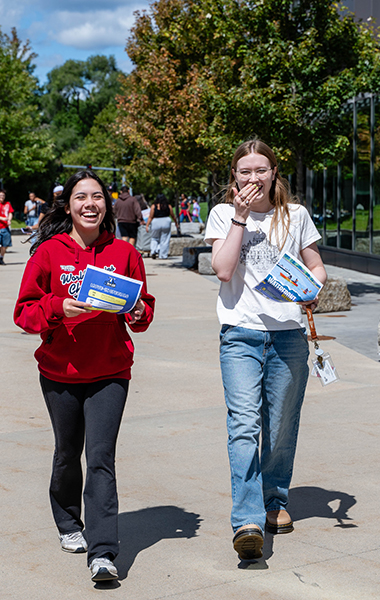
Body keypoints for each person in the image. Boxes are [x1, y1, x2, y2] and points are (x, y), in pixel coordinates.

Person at [13, 170, 155, 583]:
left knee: (100, 458)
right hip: (59, 372)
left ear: (107, 205)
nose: (90, 204)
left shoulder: (126, 254)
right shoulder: (48, 253)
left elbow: (141, 312)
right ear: (68, 205)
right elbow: (24, 312)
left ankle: (103, 552)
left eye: (97, 197)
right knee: (66, 453)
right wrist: (58, 307)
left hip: (111, 371)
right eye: (81, 197)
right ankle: (69, 522)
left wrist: (139, 312)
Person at [204, 138, 327, 562]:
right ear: (234, 177)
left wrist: (315, 288)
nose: (253, 178)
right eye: (244, 171)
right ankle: (247, 520)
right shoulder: (223, 214)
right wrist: (240, 218)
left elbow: (315, 265)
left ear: (274, 172)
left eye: (261, 170)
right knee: (243, 426)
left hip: (289, 335)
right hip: (240, 333)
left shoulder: (295, 216)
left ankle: (274, 500)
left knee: (279, 425)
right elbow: (222, 270)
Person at [146, 193, 178, 259]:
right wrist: (176, 223)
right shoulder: (168, 206)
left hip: (156, 222)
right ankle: (163, 255)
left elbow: (151, 216)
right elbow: (173, 215)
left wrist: (147, 225)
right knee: (165, 239)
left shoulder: (154, 206)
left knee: (154, 237)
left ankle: (154, 250)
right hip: (166, 221)